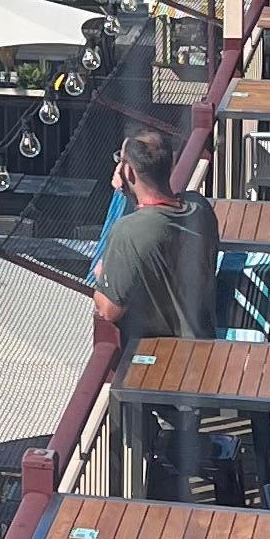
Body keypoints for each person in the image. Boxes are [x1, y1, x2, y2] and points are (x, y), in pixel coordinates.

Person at [89, 120, 218, 376]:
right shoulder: (199, 207)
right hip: (204, 351)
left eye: (121, 160)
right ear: (170, 164)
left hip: (160, 363)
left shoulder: (128, 233)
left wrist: (102, 275)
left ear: (128, 172)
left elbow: (108, 309)